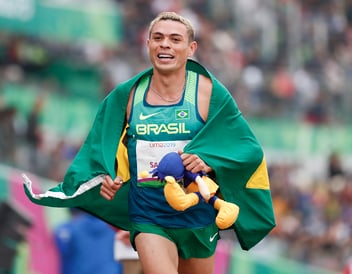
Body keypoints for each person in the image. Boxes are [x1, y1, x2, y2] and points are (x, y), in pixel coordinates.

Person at [23, 11, 275, 274]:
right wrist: (107, 177)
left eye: (175, 39)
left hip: (197, 217)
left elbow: (246, 148)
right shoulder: (128, 95)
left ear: (191, 49)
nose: (165, 44)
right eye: (158, 37)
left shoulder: (209, 93)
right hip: (148, 215)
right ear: (148, 45)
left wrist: (209, 159)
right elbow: (103, 147)